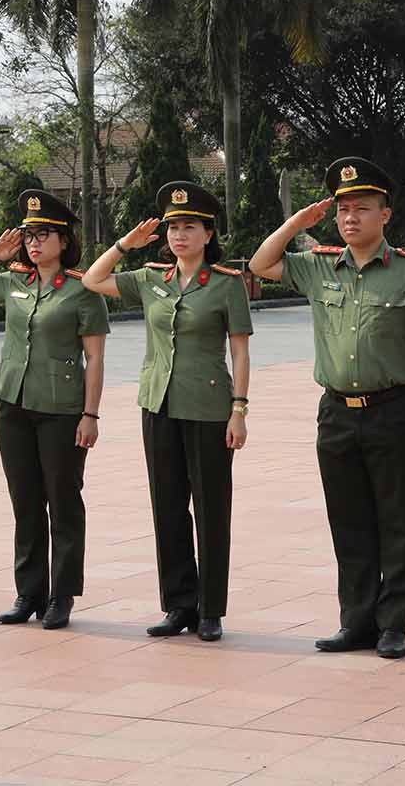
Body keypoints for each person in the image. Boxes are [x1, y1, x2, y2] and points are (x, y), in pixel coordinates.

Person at [249, 157, 405, 659]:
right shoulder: (319, 266)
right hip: (336, 412)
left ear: (386, 215)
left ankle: (394, 623)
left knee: (397, 519)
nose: (350, 218)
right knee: (349, 520)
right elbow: (261, 265)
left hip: (394, 408)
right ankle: (355, 621)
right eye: (342, 210)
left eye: (362, 208)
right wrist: (297, 223)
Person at [82, 181, 250, 642]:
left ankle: (211, 608)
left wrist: (239, 409)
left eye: (189, 227)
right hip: (158, 404)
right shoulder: (151, 278)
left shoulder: (225, 285)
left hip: (209, 407)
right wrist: (124, 245)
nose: (179, 235)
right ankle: (179, 605)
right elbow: (94, 280)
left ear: (207, 233)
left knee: (211, 508)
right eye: (173, 227)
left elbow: (240, 351)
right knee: (168, 507)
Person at [0, 189, 109, 630]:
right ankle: (29, 592)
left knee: (62, 503)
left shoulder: (83, 291)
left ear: (64, 240)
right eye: (29, 235)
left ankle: (61, 596)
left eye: (44, 235)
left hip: (62, 410)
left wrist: (90, 415)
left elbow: (94, 358)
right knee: (24, 502)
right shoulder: (15, 281)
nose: (34, 243)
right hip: (14, 405)